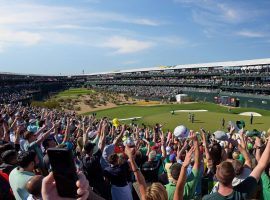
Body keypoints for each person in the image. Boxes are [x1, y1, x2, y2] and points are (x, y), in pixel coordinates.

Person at [203, 135, 270, 200]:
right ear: (234, 175)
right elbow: (261, 164)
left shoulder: (207, 198)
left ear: (216, 175)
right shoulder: (244, 191)